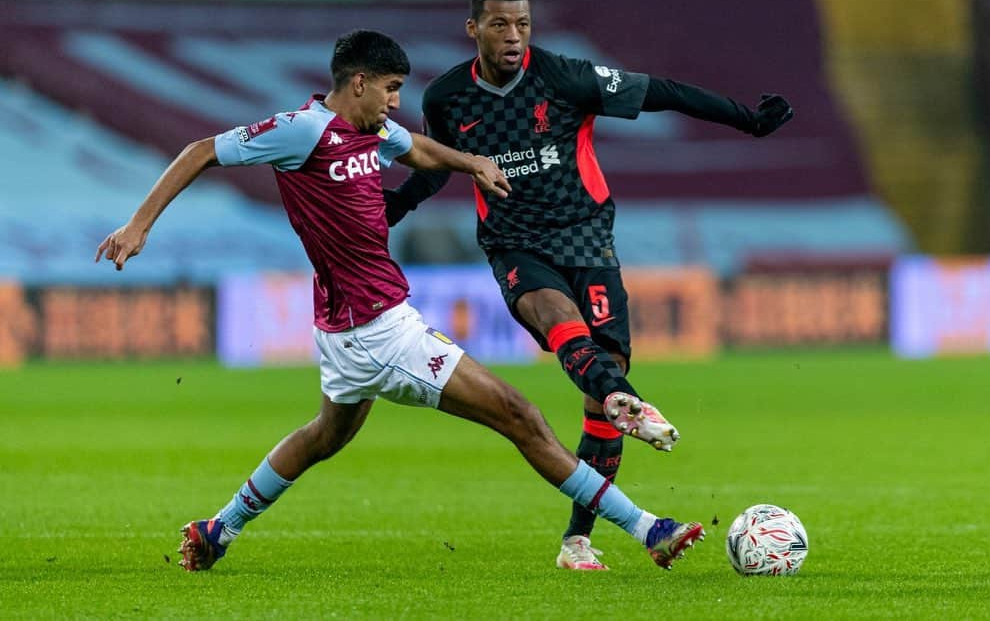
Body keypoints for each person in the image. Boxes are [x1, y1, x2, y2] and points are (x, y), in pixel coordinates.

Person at [94, 29, 704, 572]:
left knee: (321, 439)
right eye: (388, 88)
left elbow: (415, 147)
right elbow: (203, 149)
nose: (394, 101)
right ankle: (649, 528)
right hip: (379, 331)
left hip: (342, 328)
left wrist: (471, 164)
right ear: (356, 82)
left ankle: (217, 529)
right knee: (521, 418)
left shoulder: (374, 131)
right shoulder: (302, 131)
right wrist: (139, 225)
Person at [384, 0, 794, 571]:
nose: (514, 36)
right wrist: (396, 206)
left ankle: (578, 535)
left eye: (523, 24)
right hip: (514, 245)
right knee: (562, 326)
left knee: (599, 388)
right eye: (500, 25)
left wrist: (746, 121)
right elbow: (438, 166)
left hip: (587, 241)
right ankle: (629, 403)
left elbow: (662, 92)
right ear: (474, 29)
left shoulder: (565, 77)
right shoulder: (448, 97)